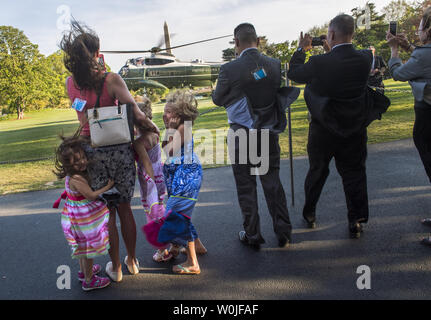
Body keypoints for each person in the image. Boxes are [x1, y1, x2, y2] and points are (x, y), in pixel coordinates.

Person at [61, 20, 158, 282]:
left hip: (90, 153)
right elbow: (136, 112)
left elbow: (81, 113)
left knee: (108, 212)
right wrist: (151, 127)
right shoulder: (111, 79)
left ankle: (115, 268)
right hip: (120, 152)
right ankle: (132, 260)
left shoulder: (71, 83)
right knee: (125, 208)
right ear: (96, 53)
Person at [288, 14, 379, 238]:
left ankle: (309, 213)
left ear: (331, 34)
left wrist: (302, 49)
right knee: (354, 174)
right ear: (352, 33)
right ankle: (356, 220)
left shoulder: (319, 63)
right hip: (355, 128)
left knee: (317, 171)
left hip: (323, 129)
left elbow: (294, 73)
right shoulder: (366, 58)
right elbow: (342, 65)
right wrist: (331, 51)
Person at [212, 23, 293, 249]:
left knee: (246, 186)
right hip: (267, 132)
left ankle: (253, 234)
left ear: (236, 43)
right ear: (258, 41)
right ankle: (283, 232)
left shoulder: (229, 69)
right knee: (272, 183)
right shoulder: (275, 65)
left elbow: (217, 99)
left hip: (241, 133)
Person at [386, 7, 431, 246]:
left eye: (421, 26)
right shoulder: (423, 53)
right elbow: (424, 58)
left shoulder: (423, 55)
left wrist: (394, 50)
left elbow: (399, 73)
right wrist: (408, 48)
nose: (418, 29)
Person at [53, 135, 112, 291]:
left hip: (75, 217)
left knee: (82, 248)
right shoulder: (77, 178)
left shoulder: (70, 175)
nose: (82, 162)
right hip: (82, 220)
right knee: (88, 249)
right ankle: (89, 280)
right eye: (76, 161)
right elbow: (91, 195)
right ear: (68, 164)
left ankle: (83, 272)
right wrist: (108, 186)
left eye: (83, 158)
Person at [158, 90, 206, 274]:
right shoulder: (176, 128)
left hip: (186, 174)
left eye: (168, 112)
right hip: (177, 174)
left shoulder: (183, 128)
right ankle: (197, 246)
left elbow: (169, 150)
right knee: (180, 213)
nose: (165, 115)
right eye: (164, 110)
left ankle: (193, 263)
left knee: (176, 215)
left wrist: (168, 128)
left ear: (179, 114)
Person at [134, 96, 171, 262]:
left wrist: (151, 184)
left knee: (153, 212)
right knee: (161, 206)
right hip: (160, 171)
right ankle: (171, 242)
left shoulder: (138, 142)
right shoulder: (155, 130)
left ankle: (162, 250)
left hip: (149, 178)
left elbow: (146, 163)